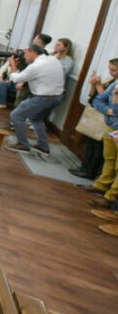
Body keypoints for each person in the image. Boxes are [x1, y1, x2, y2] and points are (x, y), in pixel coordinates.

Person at [5, 44, 65, 155]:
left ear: (33, 53)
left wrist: (12, 65)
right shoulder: (53, 59)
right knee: (35, 118)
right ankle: (43, 146)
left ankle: (23, 145)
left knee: (16, 115)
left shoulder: (36, 66)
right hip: (57, 96)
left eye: (26, 54)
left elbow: (16, 79)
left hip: (43, 97)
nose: (24, 57)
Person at [70, 59, 118, 178]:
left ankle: (91, 171)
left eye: (113, 70)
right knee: (91, 144)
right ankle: (86, 167)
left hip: (111, 122)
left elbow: (110, 104)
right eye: (109, 69)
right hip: (105, 114)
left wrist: (98, 85)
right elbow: (96, 98)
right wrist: (94, 85)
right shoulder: (112, 81)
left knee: (99, 148)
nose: (111, 72)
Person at [83, 75, 118, 214]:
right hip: (111, 127)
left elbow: (116, 110)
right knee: (109, 159)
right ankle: (101, 185)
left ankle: (110, 197)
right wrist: (108, 110)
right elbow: (98, 100)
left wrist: (114, 104)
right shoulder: (115, 83)